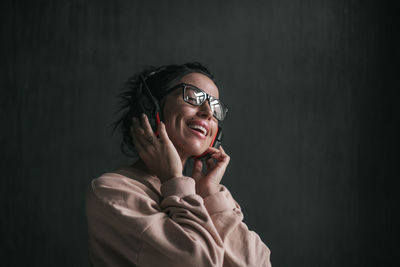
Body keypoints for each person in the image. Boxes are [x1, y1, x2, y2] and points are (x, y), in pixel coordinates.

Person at [85, 62, 272, 267]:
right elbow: (199, 262)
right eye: (192, 96)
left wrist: (209, 194)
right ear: (152, 108)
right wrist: (174, 180)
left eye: (215, 106)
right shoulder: (112, 191)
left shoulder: (206, 195)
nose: (208, 112)